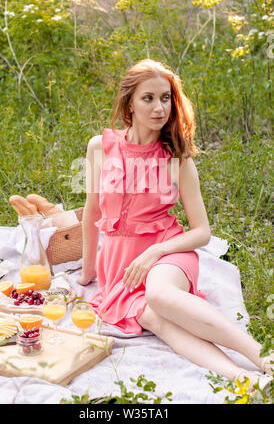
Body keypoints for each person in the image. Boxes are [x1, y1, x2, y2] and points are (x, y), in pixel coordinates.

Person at [78, 58, 273, 393]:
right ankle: (247, 380)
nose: (159, 107)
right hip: (120, 267)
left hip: (168, 252)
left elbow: (202, 232)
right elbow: (91, 210)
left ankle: (264, 356)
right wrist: (86, 275)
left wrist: (156, 250)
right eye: (148, 98)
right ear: (129, 103)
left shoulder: (176, 158)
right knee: (155, 318)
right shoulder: (101, 147)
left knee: (159, 294)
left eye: (166, 98)